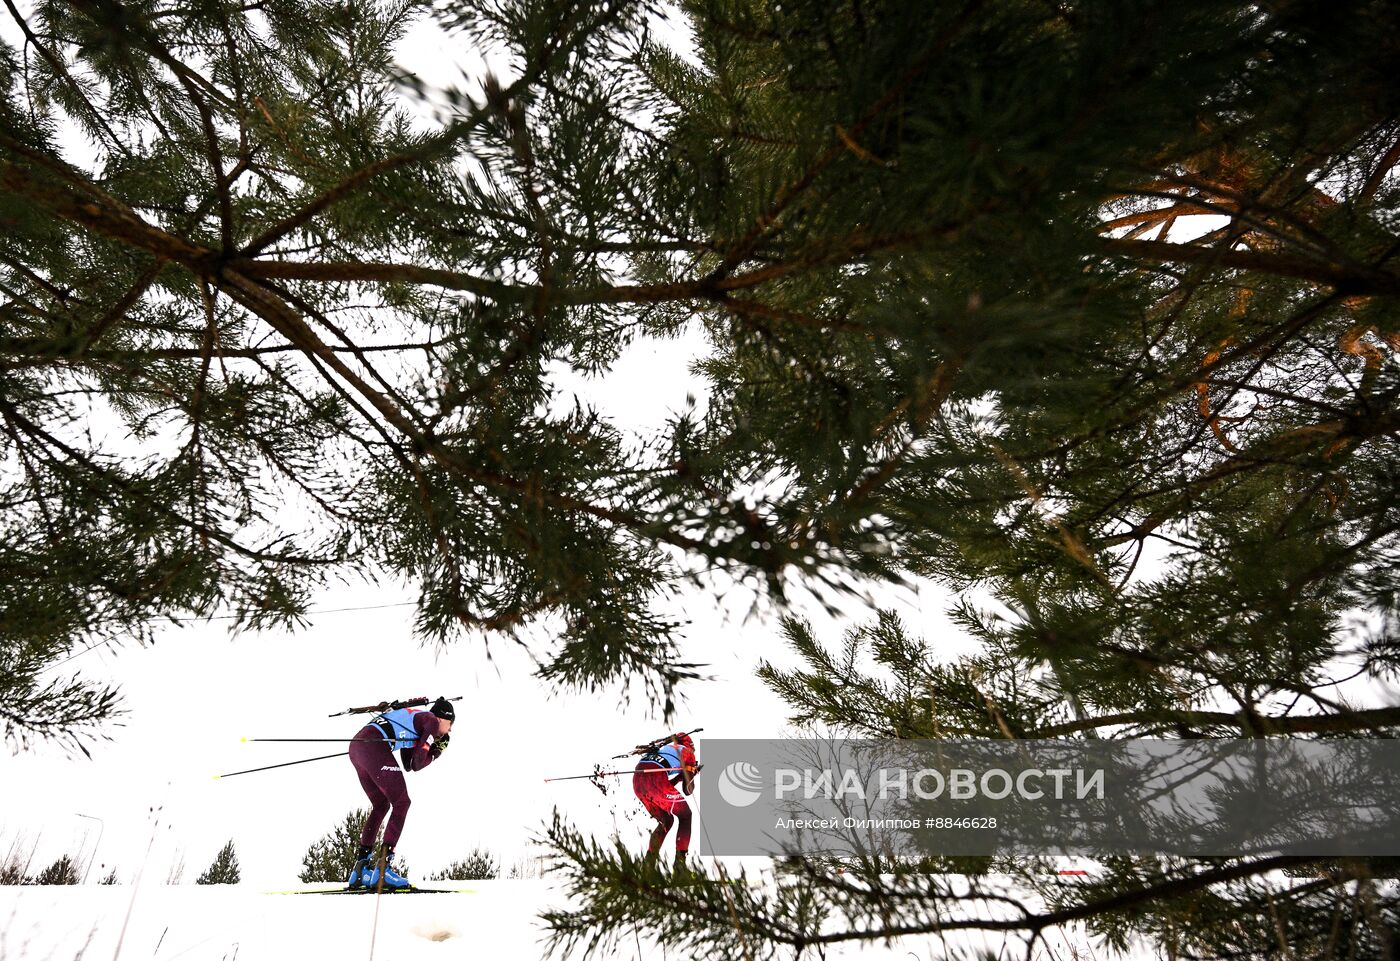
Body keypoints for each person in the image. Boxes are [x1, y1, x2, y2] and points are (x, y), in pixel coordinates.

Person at [345, 696, 454, 891]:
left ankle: (361, 868)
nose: (451, 729)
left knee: (381, 805)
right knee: (402, 802)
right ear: (442, 718)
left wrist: (429, 748)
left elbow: (409, 764)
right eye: (451, 723)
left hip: (357, 747)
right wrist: (436, 752)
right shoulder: (430, 720)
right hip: (373, 746)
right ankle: (383, 868)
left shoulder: (417, 718)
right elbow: (419, 763)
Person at [631, 732, 698, 870]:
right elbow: (688, 790)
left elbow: (661, 789)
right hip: (656, 779)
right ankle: (680, 867)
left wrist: (679, 777)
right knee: (685, 816)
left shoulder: (661, 749)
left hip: (638, 782)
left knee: (666, 821)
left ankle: (647, 867)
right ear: (689, 745)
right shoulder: (688, 752)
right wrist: (693, 772)